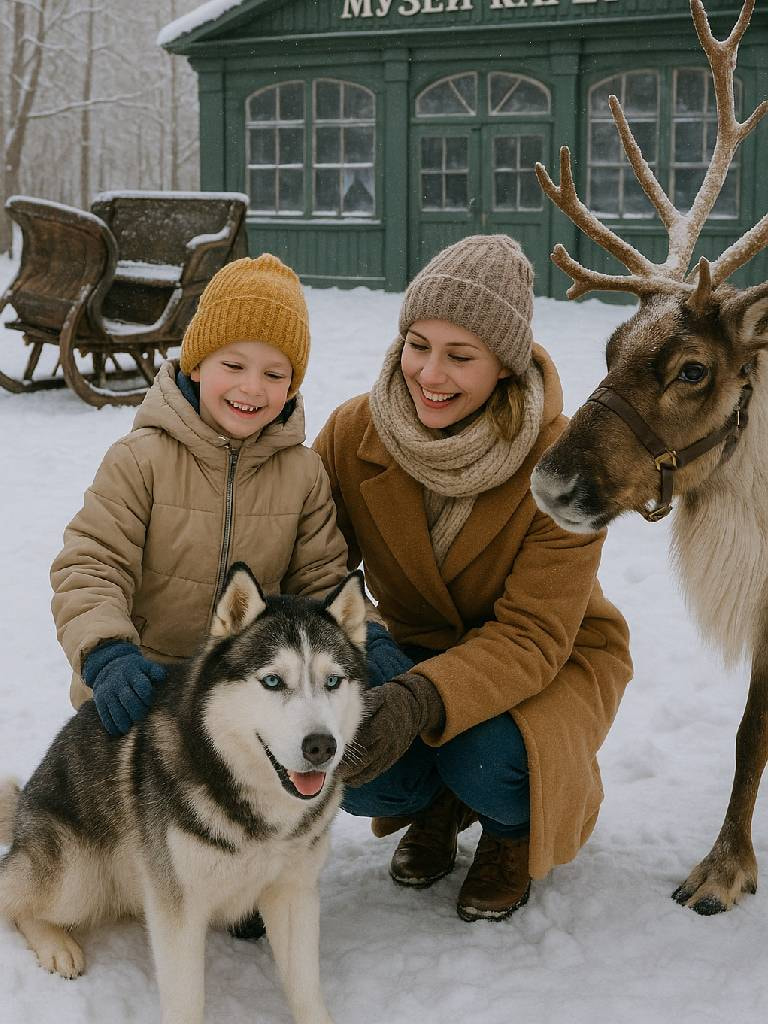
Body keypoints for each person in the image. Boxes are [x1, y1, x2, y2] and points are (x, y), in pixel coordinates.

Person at [314, 235, 633, 922]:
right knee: (352, 755)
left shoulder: (564, 459)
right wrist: (372, 656)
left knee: (489, 759)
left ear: (504, 368)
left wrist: (419, 701)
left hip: (548, 661)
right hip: (413, 648)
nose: (429, 374)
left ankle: (509, 829)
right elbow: (315, 570)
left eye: (461, 356)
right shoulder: (351, 433)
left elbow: (534, 635)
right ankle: (432, 799)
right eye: (418, 345)